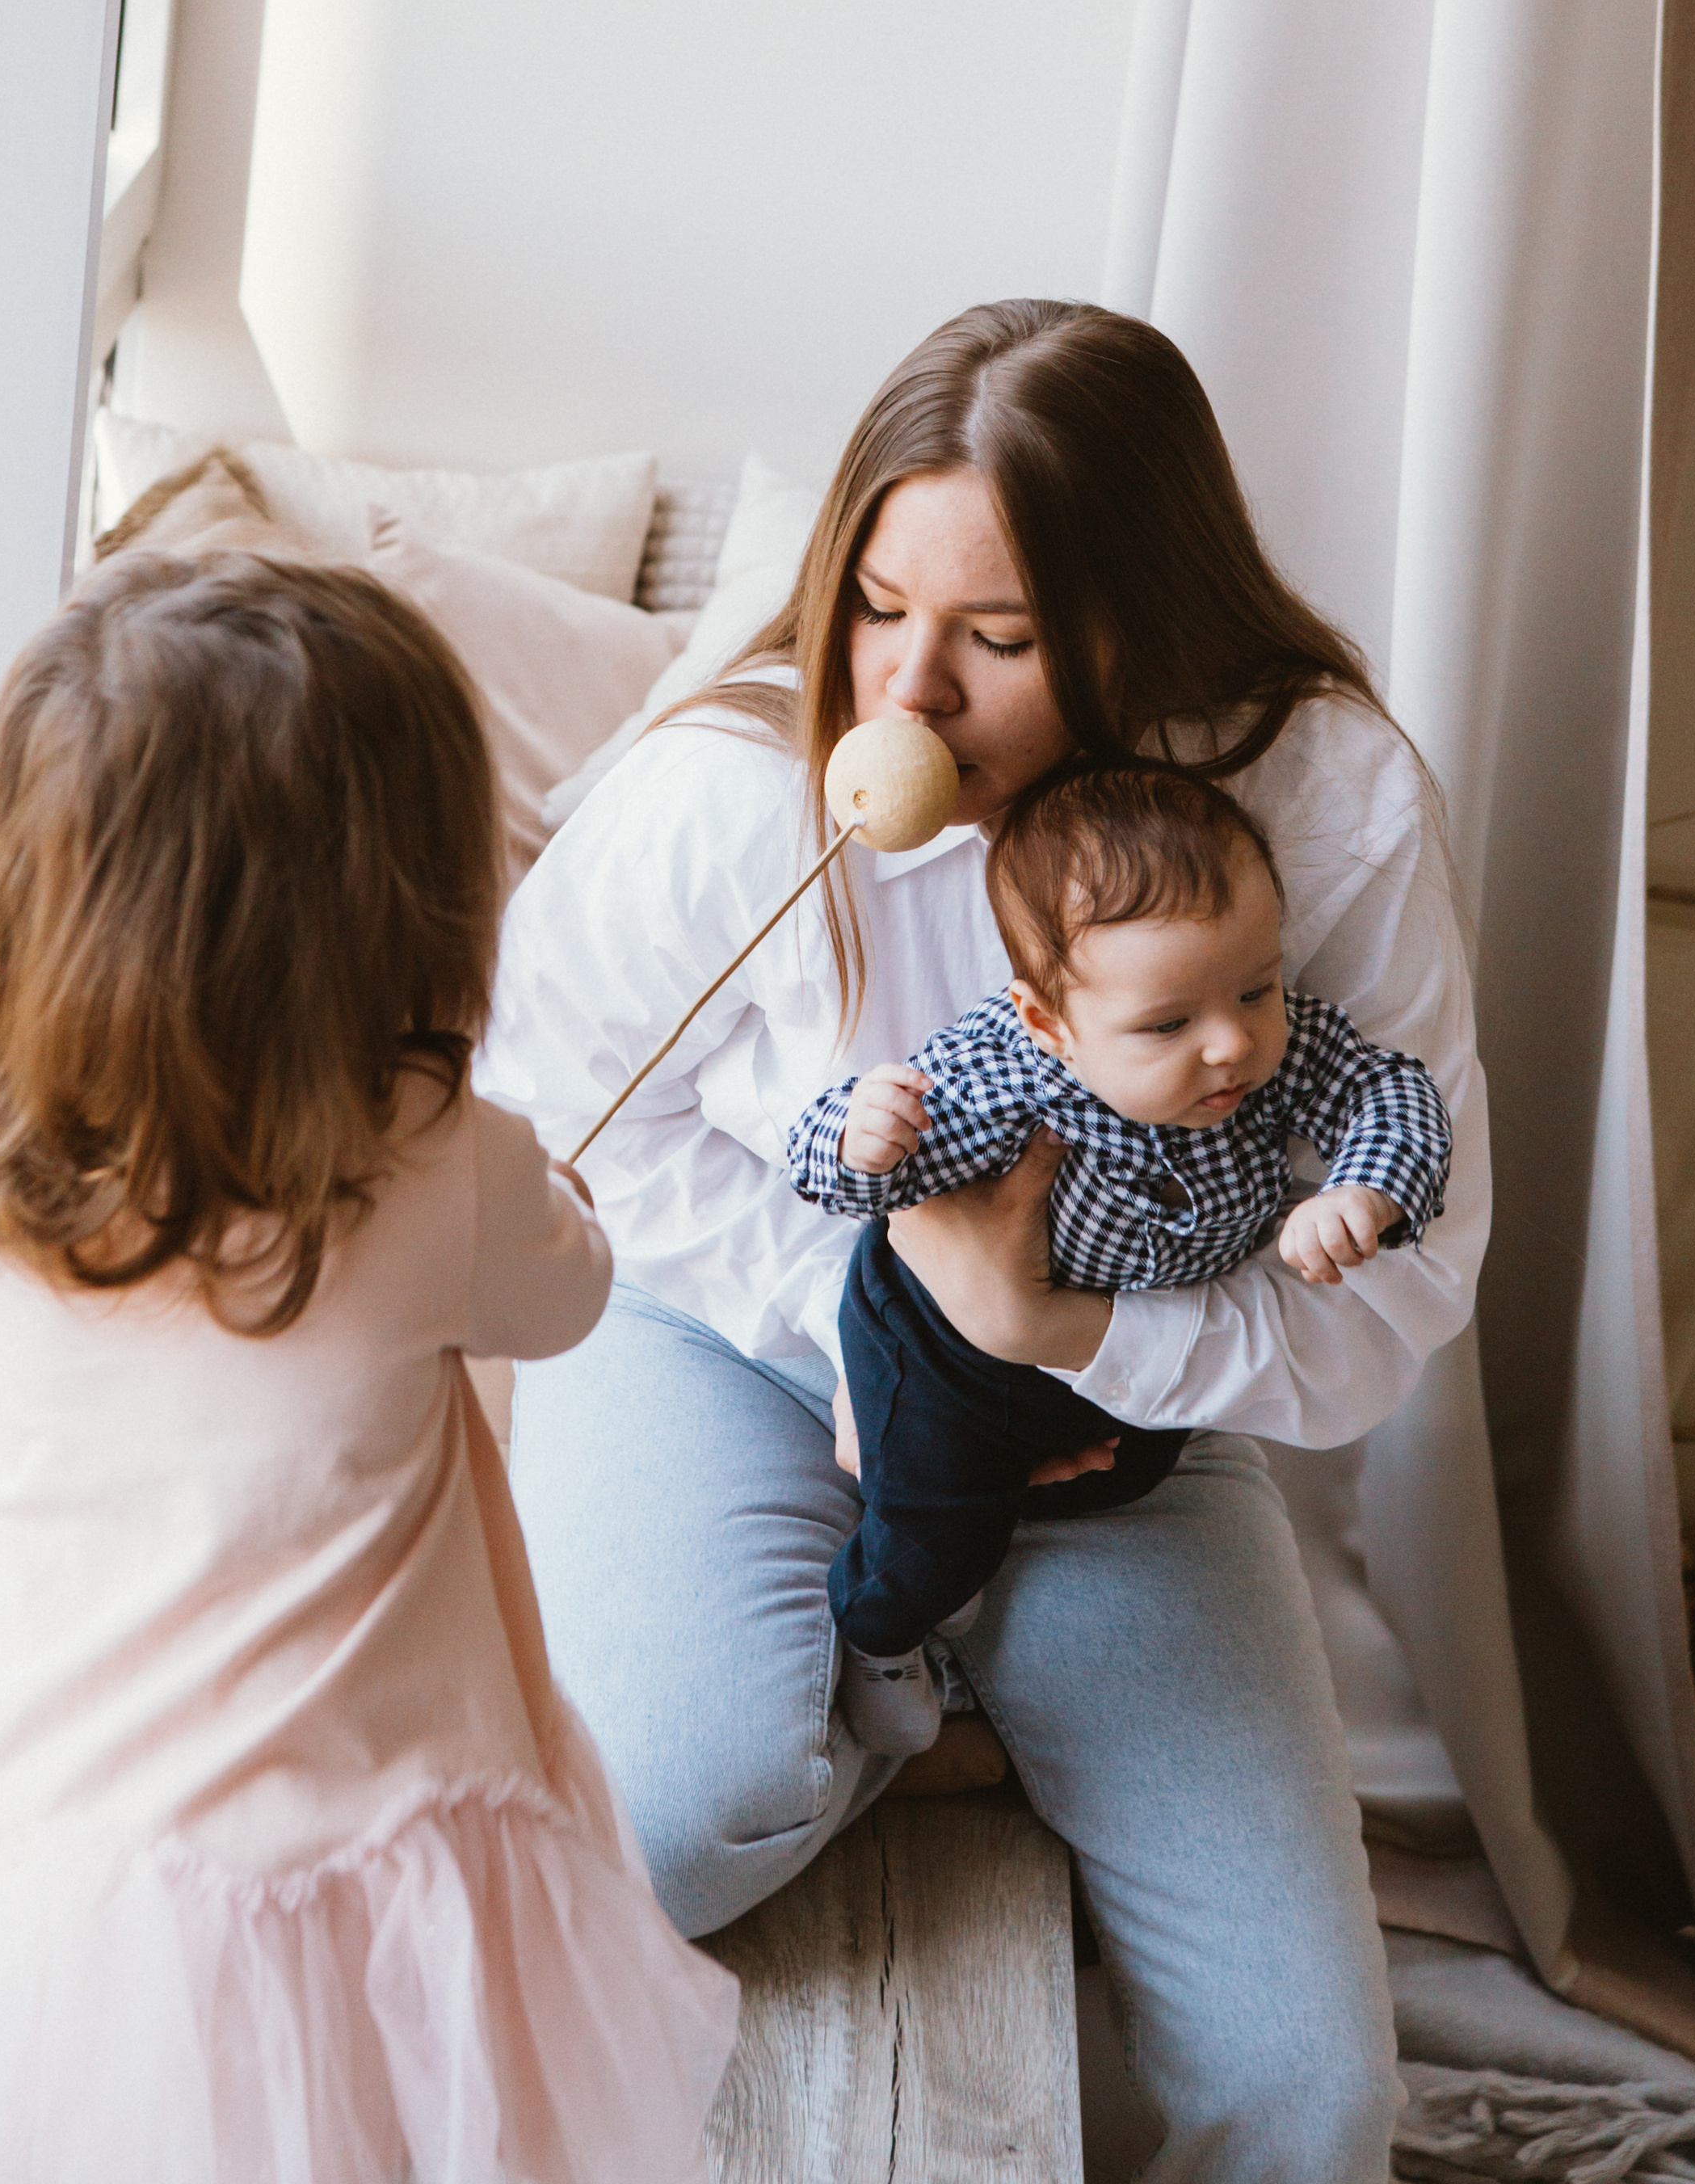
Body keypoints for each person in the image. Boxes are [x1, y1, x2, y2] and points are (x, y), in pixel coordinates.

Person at [482, 297, 1490, 2184]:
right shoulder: (730, 792)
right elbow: (567, 1129)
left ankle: (960, 1667)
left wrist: (1053, 1330)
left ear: (1140, 624)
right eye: (874, 606)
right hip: (730, 1333)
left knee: (1311, 2094)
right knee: (671, 1815)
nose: (907, 696)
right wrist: (889, 1319)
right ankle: (909, 1697)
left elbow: (1399, 1300)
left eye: (998, 637)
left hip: (1113, 1412)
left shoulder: (1325, 803)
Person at [0, 553, 736, 2184]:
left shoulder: (12, 1153)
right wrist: (549, 1185)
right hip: (359, 1856)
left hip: (62, 1837)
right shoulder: (437, 1160)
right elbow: (568, 1299)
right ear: (405, 911)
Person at [786, 760, 1451, 1749]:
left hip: (1104, 1341)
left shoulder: (1274, 1048)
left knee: (1125, 1474)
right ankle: (880, 1632)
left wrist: (1361, 1188)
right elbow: (839, 1172)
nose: (1228, 1045)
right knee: (935, 1526)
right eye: (1167, 1024)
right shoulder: (1007, 1079)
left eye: (1255, 989)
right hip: (939, 1349)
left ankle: (1005, 1503)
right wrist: (860, 1138)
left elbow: (1390, 1091)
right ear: (1049, 1024)